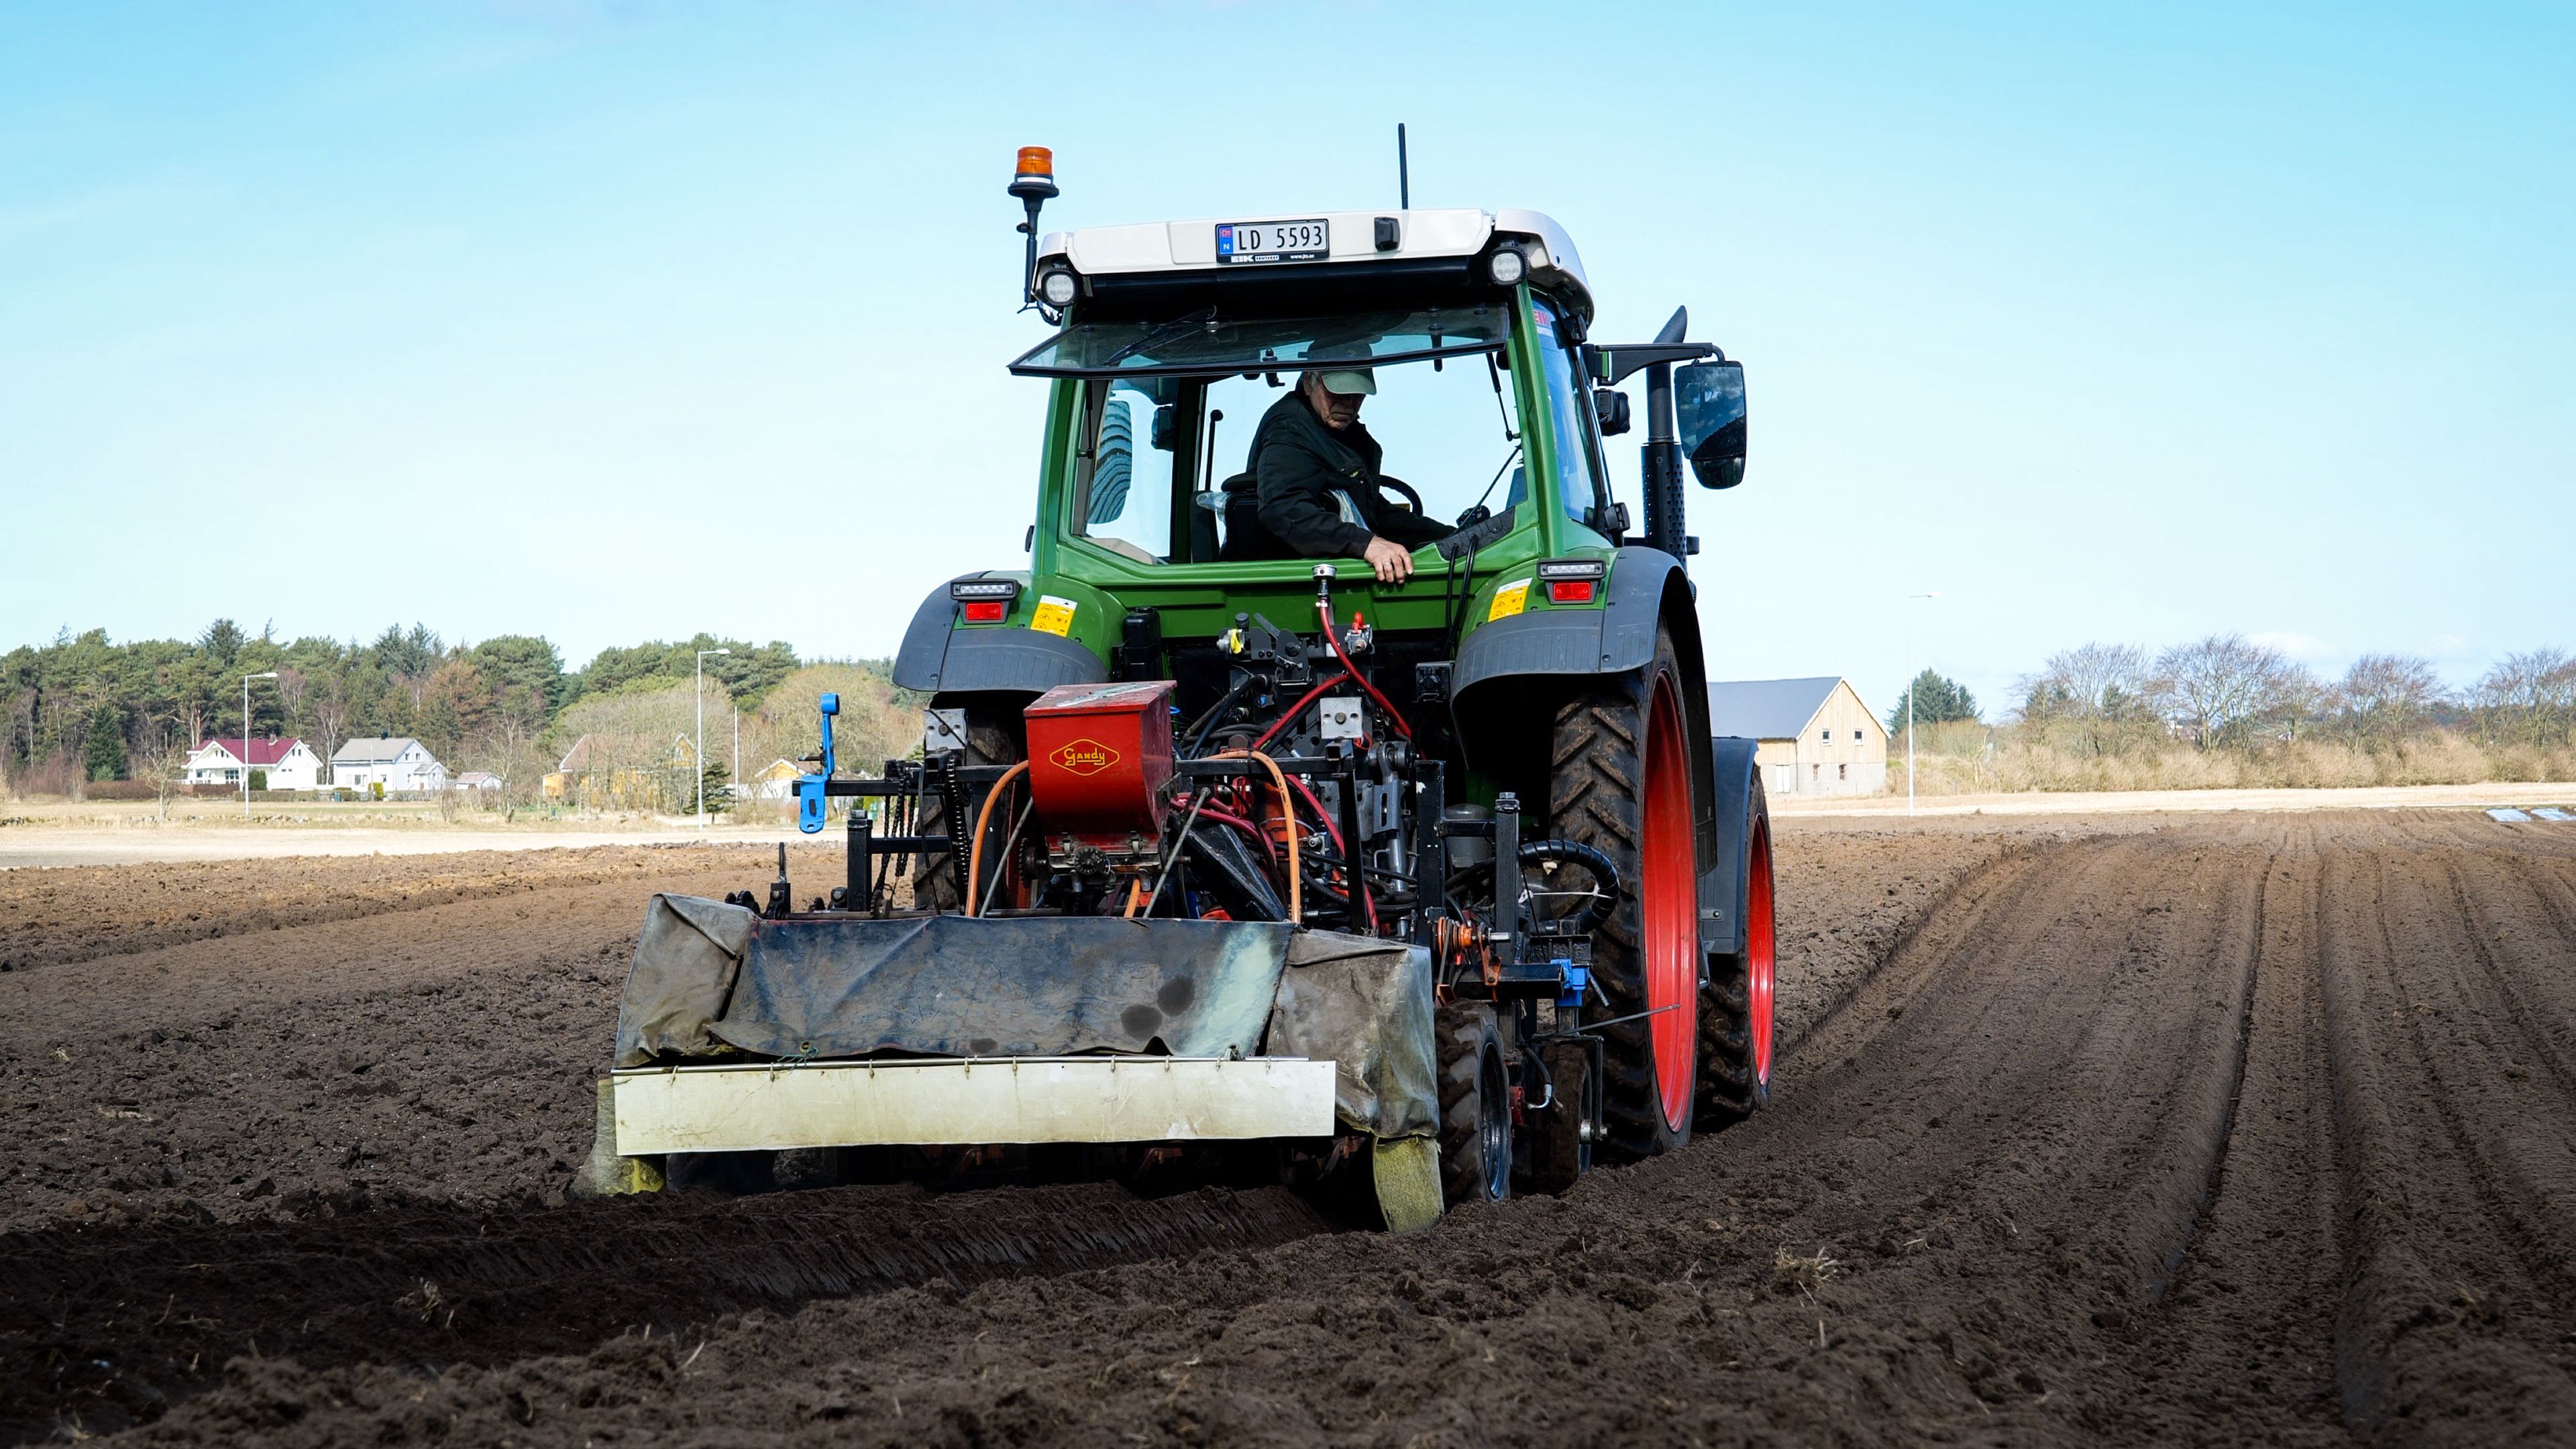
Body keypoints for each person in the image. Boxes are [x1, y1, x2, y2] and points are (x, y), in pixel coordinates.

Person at [1221, 366, 1451, 582]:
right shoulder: (1290, 430)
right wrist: (1366, 544)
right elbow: (1283, 507)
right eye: (1338, 393)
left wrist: (1448, 536)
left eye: (1357, 394)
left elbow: (1371, 511)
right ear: (1310, 381)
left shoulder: (1338, 433)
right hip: (1299, 581)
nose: (1349, 404)